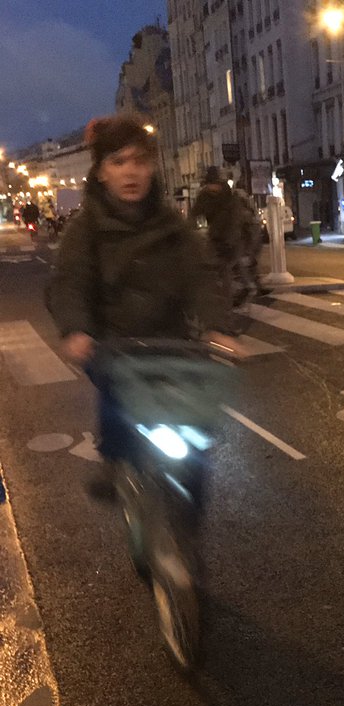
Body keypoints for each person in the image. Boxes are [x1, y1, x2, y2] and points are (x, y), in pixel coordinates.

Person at [47, 115, 239, 496]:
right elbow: (69, 283)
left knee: (196, 439)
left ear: (151, 167)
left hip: (171, 343)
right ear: (101, 172)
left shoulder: (172, 225)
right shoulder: (84, 230)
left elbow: (199, 276)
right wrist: (76, 330)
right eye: (118, 162)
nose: (130, 172)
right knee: (115, 401)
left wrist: (219, 327)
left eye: (139, 161)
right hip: (113, 345)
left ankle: (185, 525)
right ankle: (115, 460)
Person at [190, 166, 242, 299]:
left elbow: (235, 220)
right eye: (210, 185)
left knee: (224, 269)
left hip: (230, 237)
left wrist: (230, 240)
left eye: (214, 184)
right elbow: (194, 215)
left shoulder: (229, 196)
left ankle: (227, 300)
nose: (212, 188)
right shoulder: (204, 196)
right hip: (215, 237)